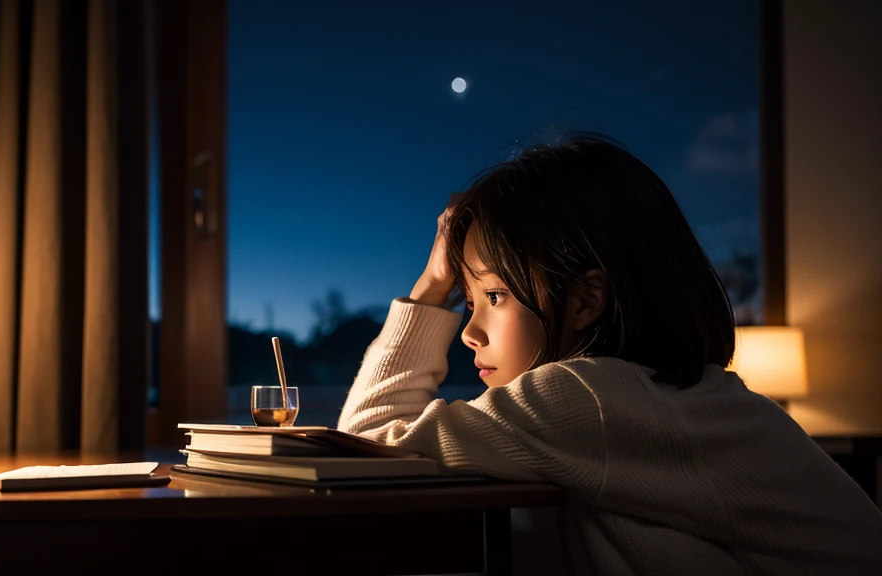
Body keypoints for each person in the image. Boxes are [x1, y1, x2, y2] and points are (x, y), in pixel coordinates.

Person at [337, 134, 882, 575]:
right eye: (468, 297)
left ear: (586, 301)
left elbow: (362, 442)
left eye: (495, 296)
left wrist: (433, 285)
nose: (469, 333)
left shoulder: (587, 395)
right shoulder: (669, 398)